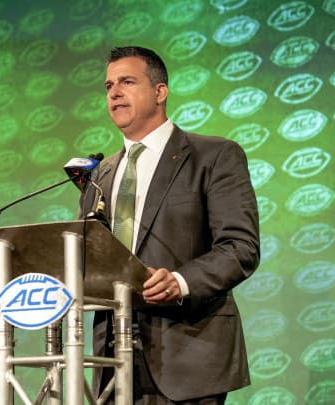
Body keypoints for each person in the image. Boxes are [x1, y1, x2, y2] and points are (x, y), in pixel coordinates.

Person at [81, 46, 260, 404]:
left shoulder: (213, 156)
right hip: (112, 357)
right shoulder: (99, 173)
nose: (114, 92)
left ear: (160, 92)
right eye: (108, 86)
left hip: (189, 350)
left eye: (127, 82)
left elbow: (240, 247)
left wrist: (180, 282)